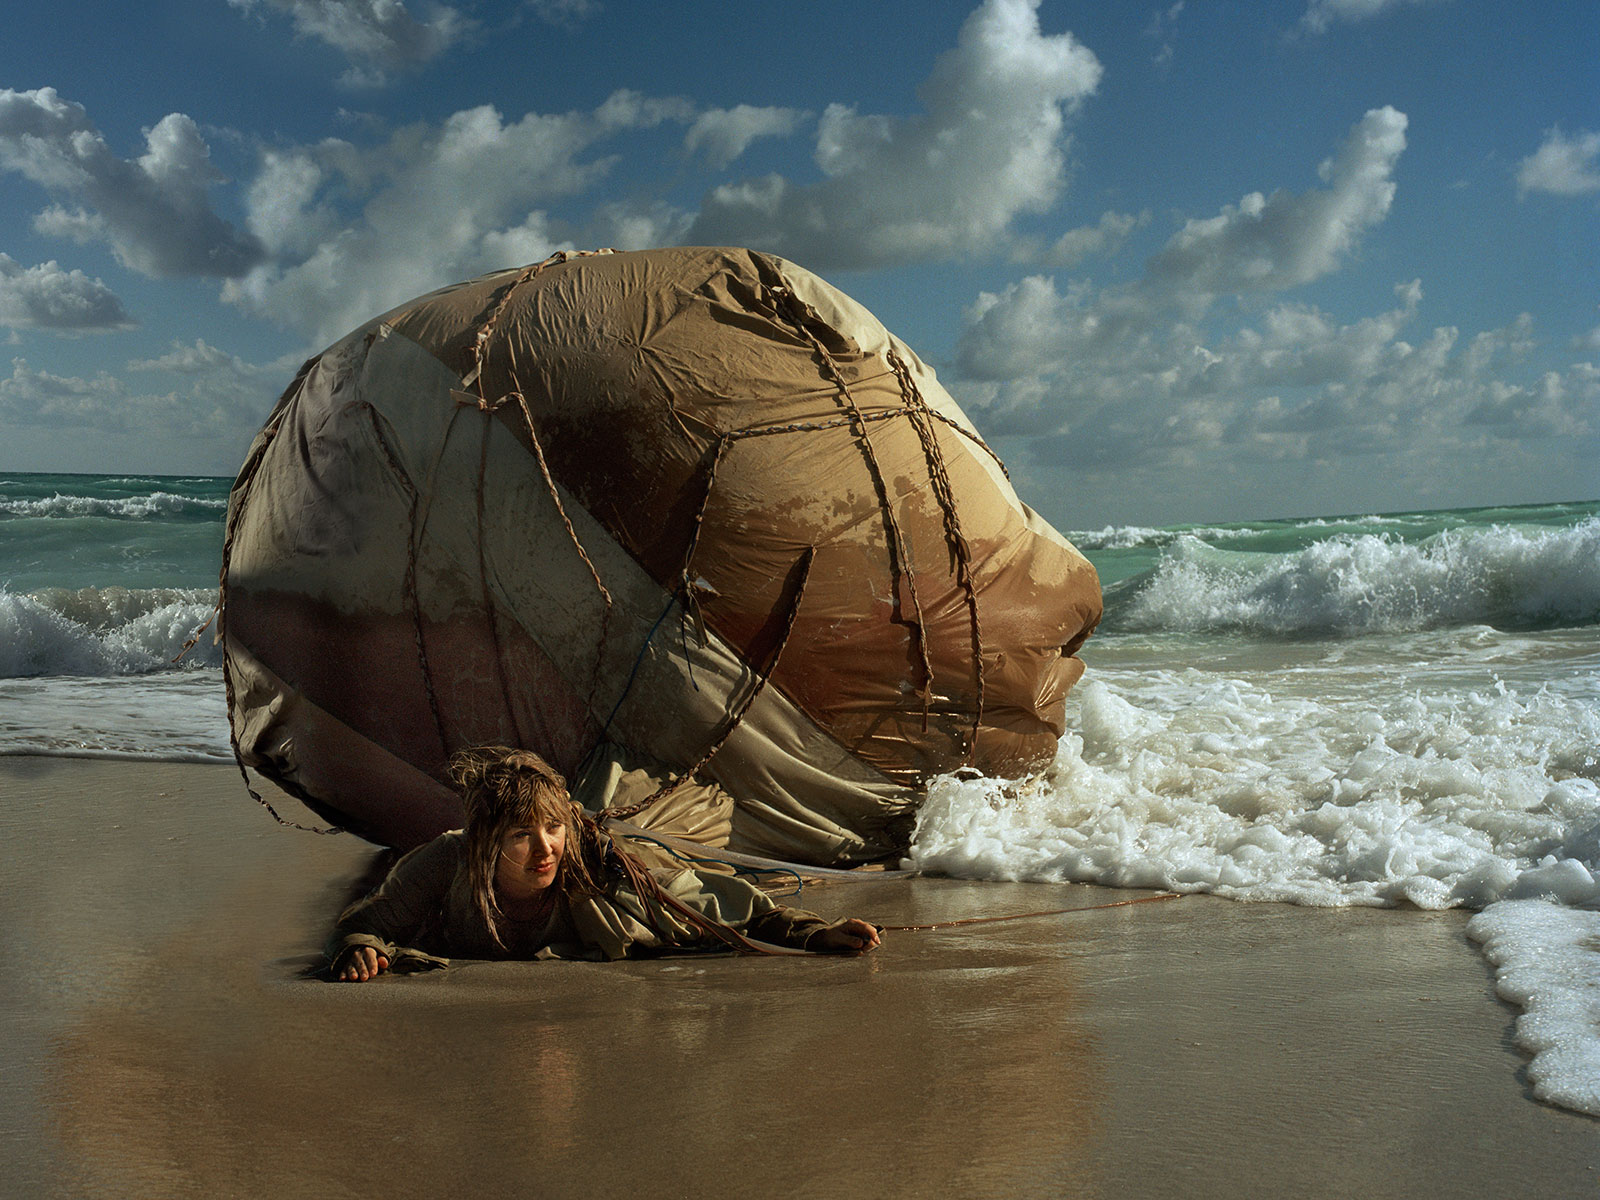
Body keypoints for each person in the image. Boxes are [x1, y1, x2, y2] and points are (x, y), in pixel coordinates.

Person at [328, 746, 881, 981]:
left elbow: (716, 904)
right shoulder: (447, 862)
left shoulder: (595, 868)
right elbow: (366, 921)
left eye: (553, 828)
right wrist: (361, 950)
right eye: (521, 835)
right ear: (486, 842)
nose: (545, 849)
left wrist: (815, 934)